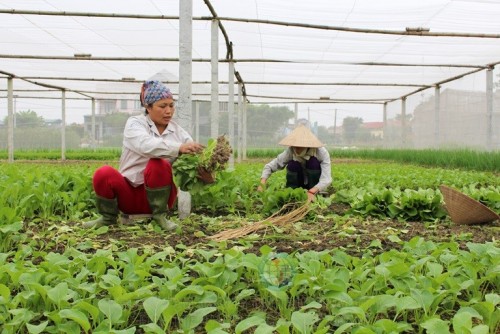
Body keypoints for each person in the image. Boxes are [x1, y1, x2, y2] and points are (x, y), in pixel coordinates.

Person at [83, 80, 207, 231]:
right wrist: (179, 148)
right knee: (103, 173)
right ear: (148, 107)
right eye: (162, 106)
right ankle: (108, 218)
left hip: (160, 199)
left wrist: (206, 176)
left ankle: (160, 217)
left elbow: (191, 168)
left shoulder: (180, 133)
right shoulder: (135, 124)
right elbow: (145, 145)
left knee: (158, 164)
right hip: (128, 195)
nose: (168, 111)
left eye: (171, 105)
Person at [257, 125, 332, 202]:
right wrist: (262, 182)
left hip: (315, 187)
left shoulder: (321, 152)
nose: (296, 149)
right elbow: (270, 166)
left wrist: (312, 191)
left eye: (299, 146)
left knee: (313, 162)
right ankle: (293, 192)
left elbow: (326, 179)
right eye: (294, 146)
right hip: (298, 185)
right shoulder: (291, 151)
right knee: (293, 165)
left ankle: (314, 193)